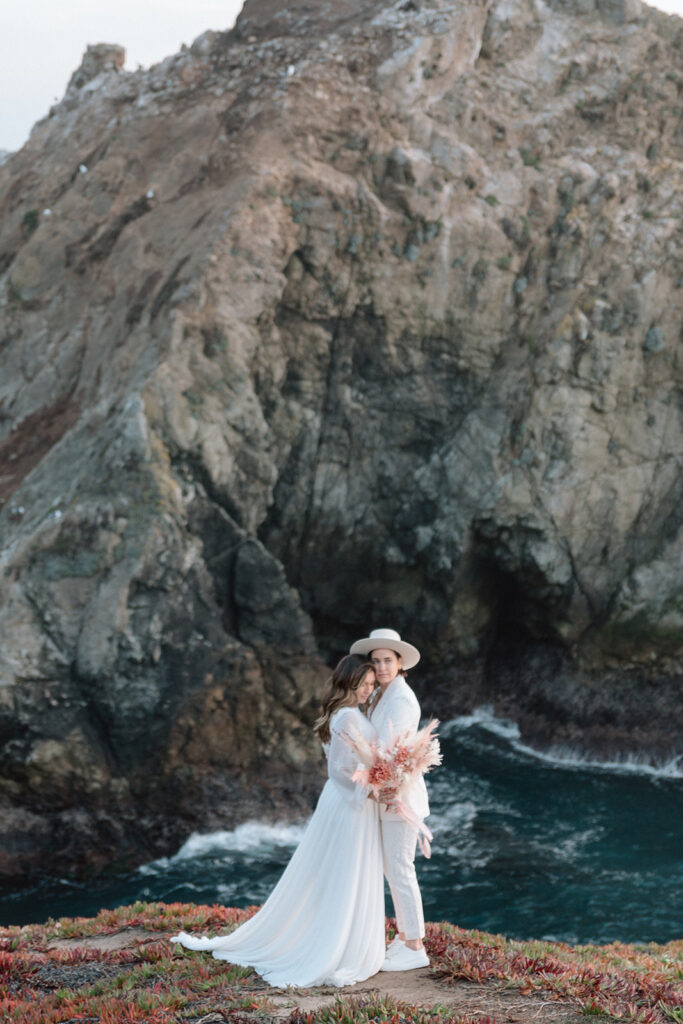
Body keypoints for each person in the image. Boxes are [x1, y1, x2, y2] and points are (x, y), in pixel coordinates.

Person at [171, 654, 385, 988]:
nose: (368, 690)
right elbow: (340, 770)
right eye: (363, 684)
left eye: (372, 685)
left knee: (342, 872)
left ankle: (343, 941)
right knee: (344, 872)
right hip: (350, 804)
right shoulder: (346, 717)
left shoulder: (349, 714)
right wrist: (372, 791)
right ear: (348, 681)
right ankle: (335, 948)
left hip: (346, 801)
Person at [349, 628, 429, 972]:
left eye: (387, 661)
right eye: (376, 661)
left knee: (399, 867)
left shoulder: (401, 698)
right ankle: (404, 935)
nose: (381, 667)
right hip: (385, 794)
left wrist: (384, 786)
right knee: (391, 867)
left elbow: (393, 752)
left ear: (400, 663)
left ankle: (415, 946)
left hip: (399, 797)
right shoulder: (382, 694)